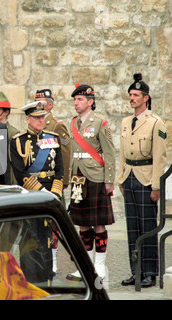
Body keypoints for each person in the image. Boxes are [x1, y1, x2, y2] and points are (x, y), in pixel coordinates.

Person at [118, 74, 167, 288]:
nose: (132, 98)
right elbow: (122, 151)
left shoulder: (156, 123)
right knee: (131, 227)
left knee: (147, 227)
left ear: (145, 98)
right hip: (129, 177)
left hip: (146, 179)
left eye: (136, 95)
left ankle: (149, 272)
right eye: (130, 94)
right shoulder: (126, 122)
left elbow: (160, 157)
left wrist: (156, 186)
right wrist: (120, 178)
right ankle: (135, 270)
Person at [66, 84, 115, 282]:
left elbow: (110, 153)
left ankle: (100, 266)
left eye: (80, 100)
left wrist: (109, 180)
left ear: (90, 102)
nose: (76, 103)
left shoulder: (100, 123)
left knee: (98, 223)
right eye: (75, 100)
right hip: (78, 178)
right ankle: (85, 267)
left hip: (95, 176)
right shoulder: (74, 123)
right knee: (83, 224)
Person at [34, 88, 71, 274]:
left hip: (53, 183)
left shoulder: (56, 125)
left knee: (54, 224)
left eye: (40, 103)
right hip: (36, 183)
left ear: (50, 105)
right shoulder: (34, 123)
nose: (37, 105)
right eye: (35, 102)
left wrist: (62, 181)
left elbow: (64, 154)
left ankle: (54, 260)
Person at [10, 100, 64, 198]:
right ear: (27, 119)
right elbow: (20, 172)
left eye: (42, 117)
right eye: (37, 117)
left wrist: (55, 192)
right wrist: (41, 190)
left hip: (52, 190)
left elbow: (59, 169)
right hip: (30, 191)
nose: (41, 120)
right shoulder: (18, 141)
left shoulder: (53, 138)